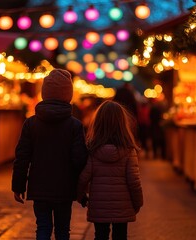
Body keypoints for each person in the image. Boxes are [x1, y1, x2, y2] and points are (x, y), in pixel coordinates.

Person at [11, 68, 88, 240]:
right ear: (68, 94)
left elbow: (22, 157)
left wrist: (18, 186)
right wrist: (81, 187)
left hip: (39, 187)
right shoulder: (74, 126)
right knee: (62, 230)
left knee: (43, 227)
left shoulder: (31, 124)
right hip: (64, 188)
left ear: (44, 93)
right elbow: (79, 159)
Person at [77, 100, 144, 240]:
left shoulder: (93, 150)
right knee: (120, 236)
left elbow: (83, 177)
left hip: (99, 207)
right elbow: (134, 181)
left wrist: (80, 196)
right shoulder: (128, 151)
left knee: (100, 235)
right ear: (122, 124)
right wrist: (137, 203)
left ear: (98, 123)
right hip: (123, 207)